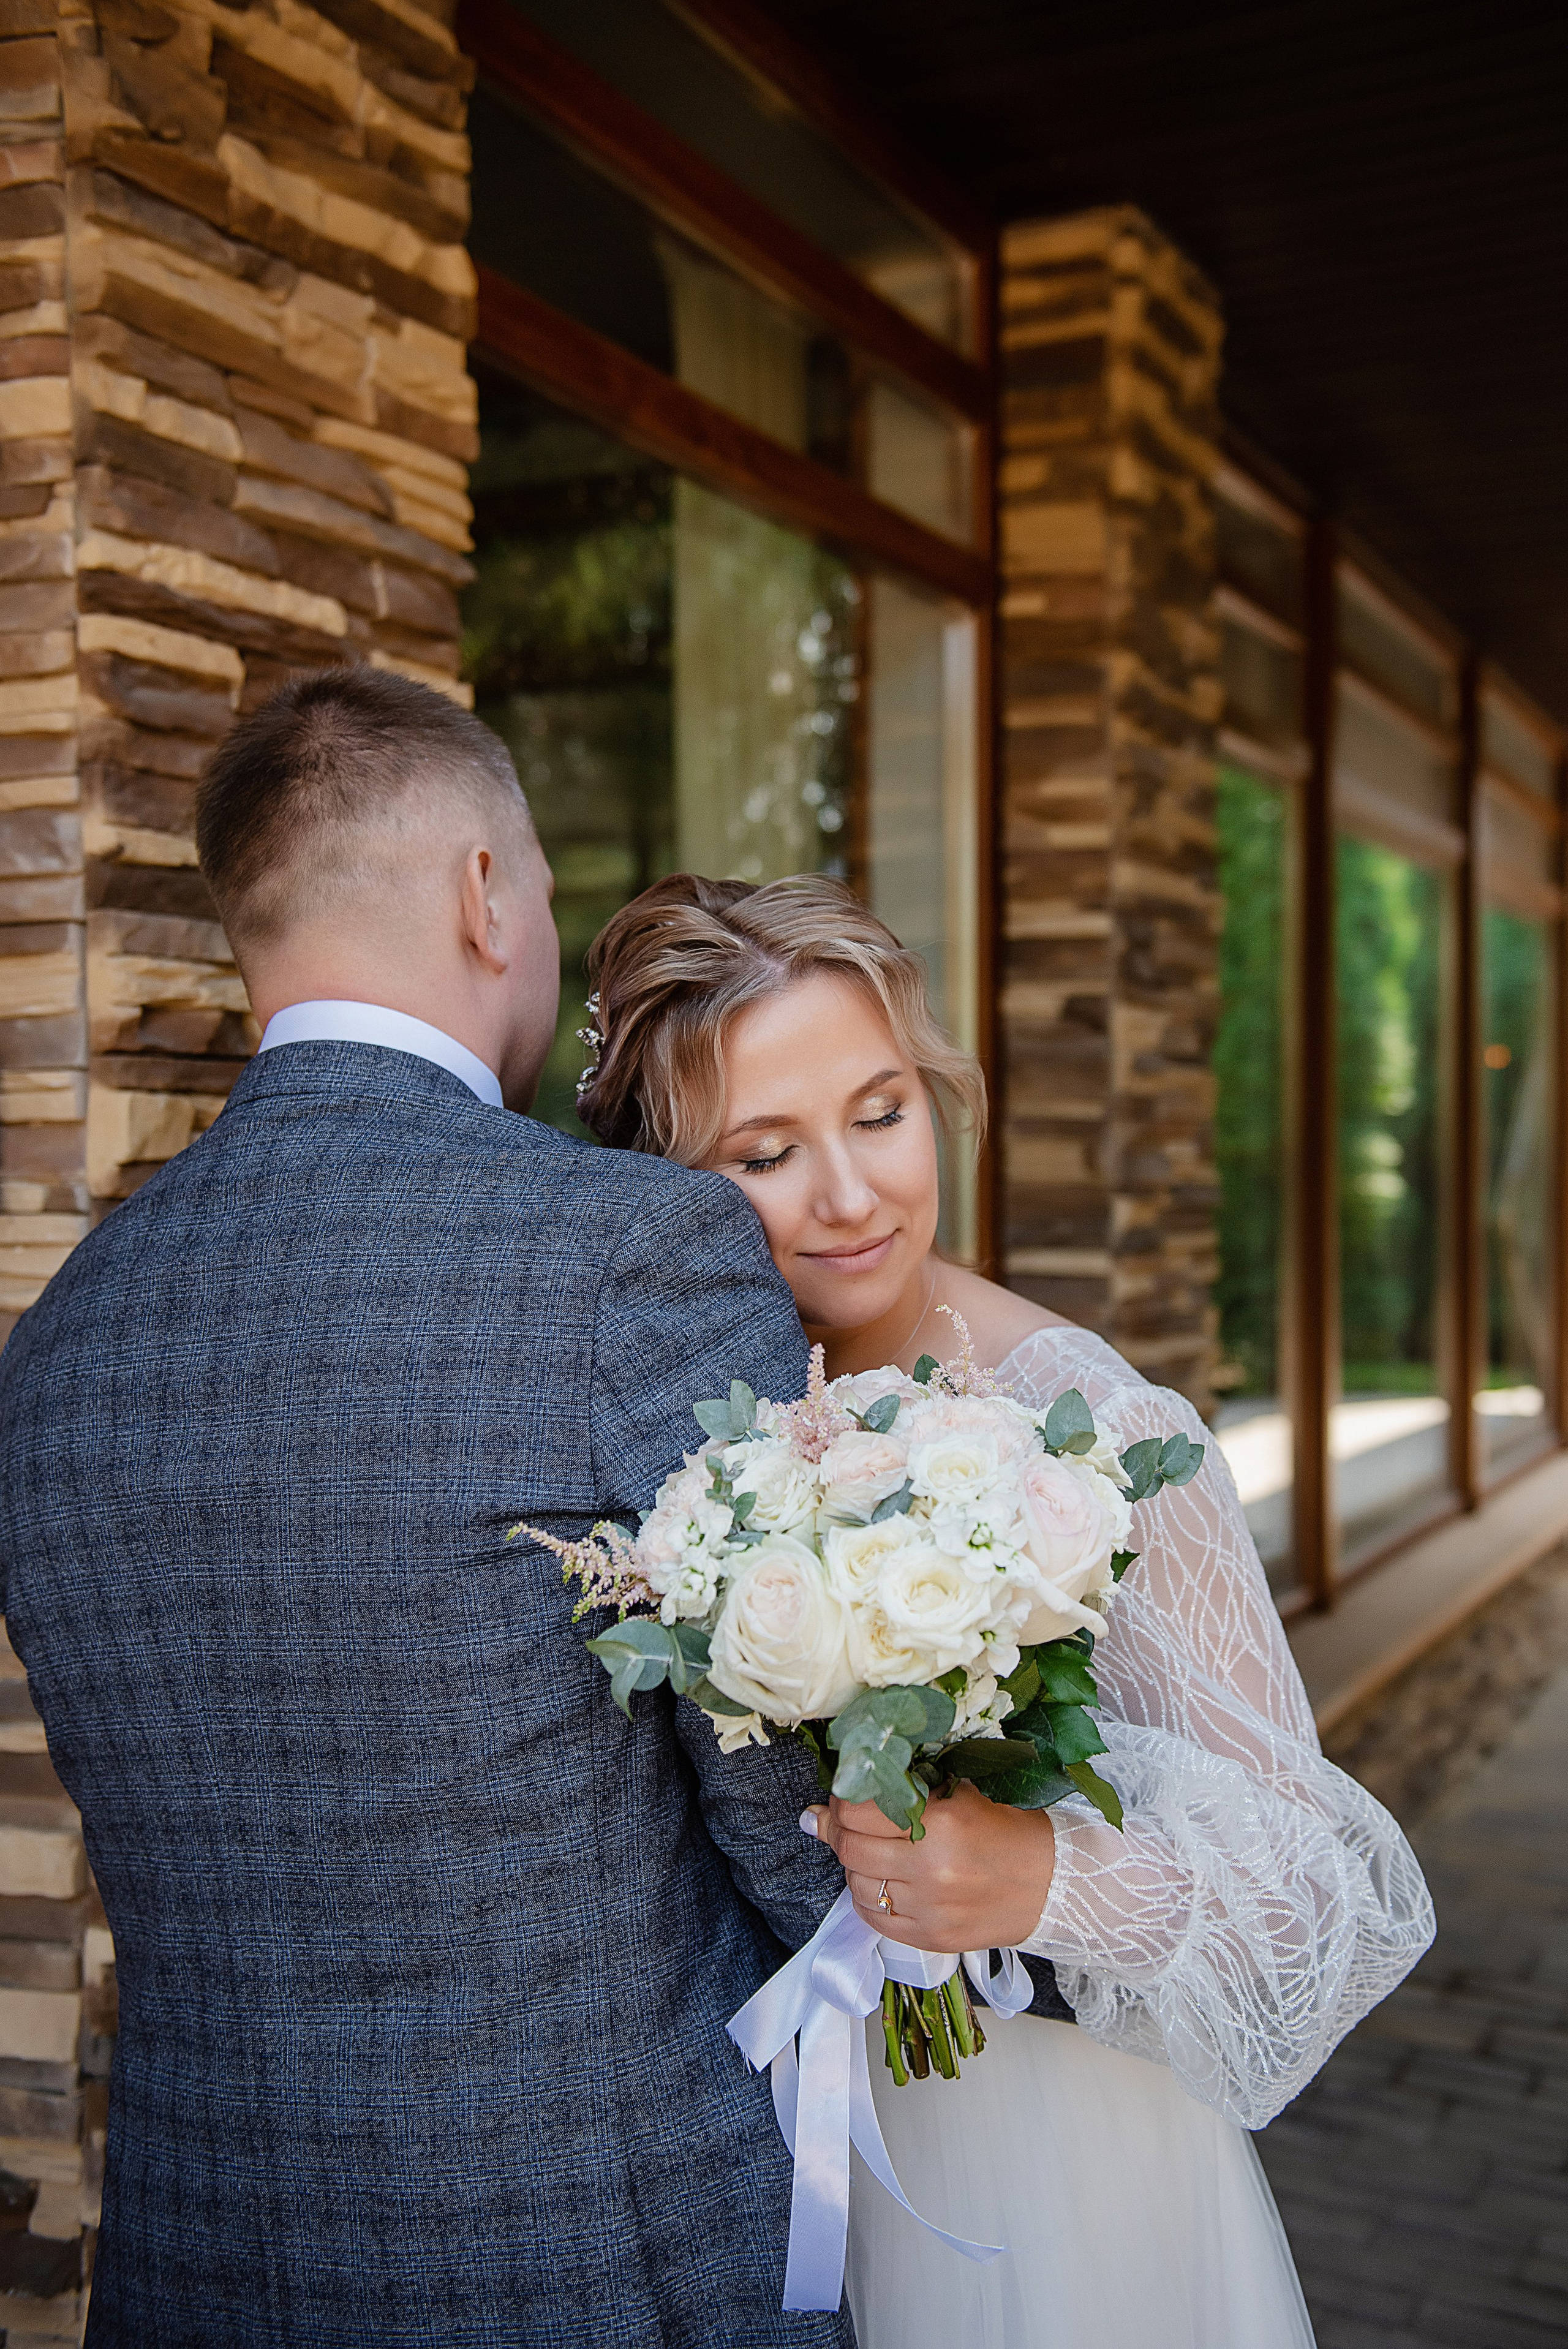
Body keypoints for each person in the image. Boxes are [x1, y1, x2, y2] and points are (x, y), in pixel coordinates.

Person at [0, 673, 854, 2347]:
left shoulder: (63, 1336)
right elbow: (788, 1810)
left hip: (201, 2256)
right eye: (536, 887)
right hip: (595, 2251)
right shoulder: (633, 1250)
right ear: (484, 894)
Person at [577, 870, 1438, 2349]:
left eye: (881, 1111)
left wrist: (1042, 1878)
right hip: (763, 2152)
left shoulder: (1087, 1426)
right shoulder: (675, 1437)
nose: (849, 1196)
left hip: (1047, 2168)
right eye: (765, 1152)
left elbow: (1320, 1901)